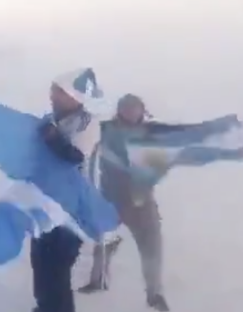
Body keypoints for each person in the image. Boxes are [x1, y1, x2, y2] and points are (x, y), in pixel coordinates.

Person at [77, 94, 171, 311]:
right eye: (126, 108)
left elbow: (163, 159)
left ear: (141, 110)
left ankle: (154, 294)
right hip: (112, 197)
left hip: (142, 201)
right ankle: (97, 281)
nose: (130, 112)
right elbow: (86, 142)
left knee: (152, 248)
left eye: (134, 108)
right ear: (119, 110)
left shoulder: (150, 133)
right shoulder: (105, 129)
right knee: (103, 241)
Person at [31, 69, 102, 312]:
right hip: (44, 206)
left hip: (71, 212)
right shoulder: (50, 119)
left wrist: (51, 138)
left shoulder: (88, 123)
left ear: (75, 97)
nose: (52, 95)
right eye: (53, 89)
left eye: (59, 91)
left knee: (57, 272)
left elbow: (74, 157)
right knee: (41, 268)